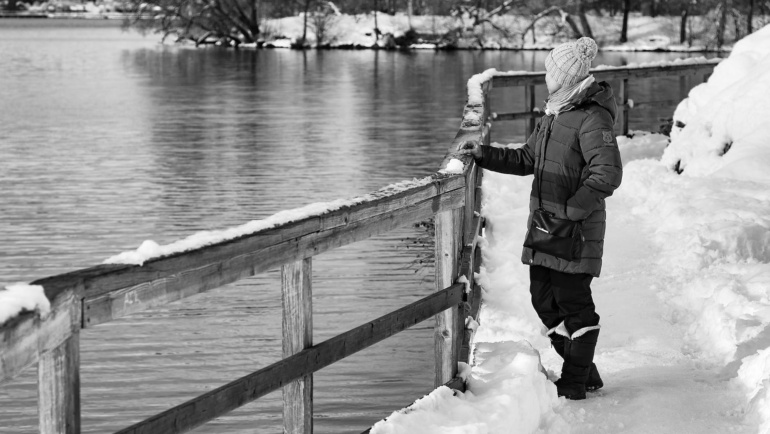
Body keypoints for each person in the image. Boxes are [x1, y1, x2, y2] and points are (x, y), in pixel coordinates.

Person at [458, 37, 623, 400]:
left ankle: (575, 382)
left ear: (565, 77)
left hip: (574, 232)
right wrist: (483, 153)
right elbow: (526, 159)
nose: (547, 77)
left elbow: (607, 174)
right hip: (548, 227)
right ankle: (585, 370)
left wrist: (570, 211)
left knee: (575, 304)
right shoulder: (554, 114)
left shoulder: (592, 118)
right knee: (543, 300)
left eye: (551, 72)